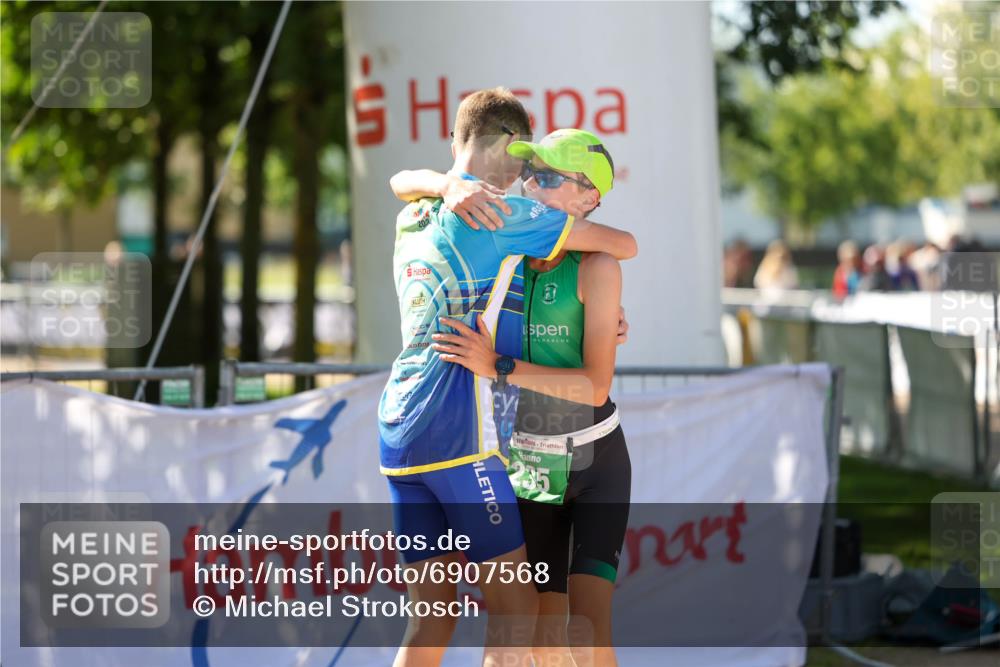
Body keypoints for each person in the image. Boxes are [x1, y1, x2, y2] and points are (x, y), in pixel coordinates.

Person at [380, 88, 637, 667]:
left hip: (584, 458)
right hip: (501, 454)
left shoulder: (422, 215)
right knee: (528, 628)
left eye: (549, 176)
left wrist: (600, 314)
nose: (533, 184)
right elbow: (624, 241)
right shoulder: (511, 234)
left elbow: (619, 253)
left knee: (579, 630)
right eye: (531, 171)